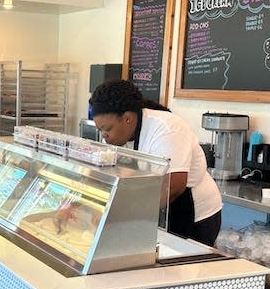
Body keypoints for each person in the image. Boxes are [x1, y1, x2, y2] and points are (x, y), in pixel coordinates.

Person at [89, 79, 222, 246]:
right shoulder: (121, 138)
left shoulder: (167, 128)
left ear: (128, 118)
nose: (103, 136)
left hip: (193, 214)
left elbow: (173, 186)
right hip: (156, 208)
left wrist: (122, 215)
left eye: (107, 129)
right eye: (100, 130)